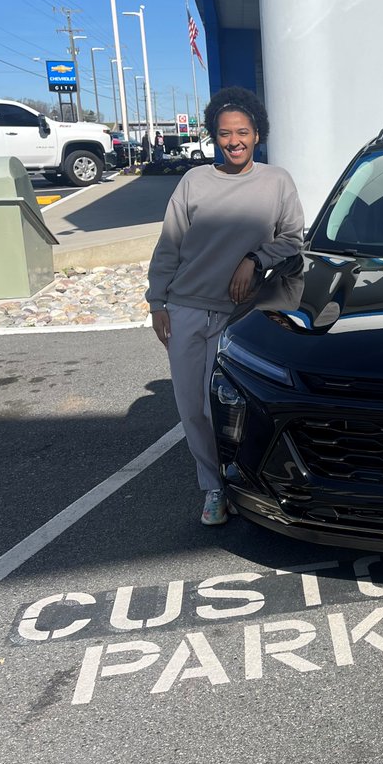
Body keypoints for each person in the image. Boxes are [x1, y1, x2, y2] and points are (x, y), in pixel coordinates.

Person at [146, 86, 304, 526]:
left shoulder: (277, 181)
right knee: (192, 406)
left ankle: (248, 483)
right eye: (224, 133)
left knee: (232, 408)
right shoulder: (194, 181)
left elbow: (293, 239)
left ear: (258, 134)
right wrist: (157, 300)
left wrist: (254, 260)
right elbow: (170, 244)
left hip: (241, 315)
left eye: (243, 132)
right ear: (214, 136)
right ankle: (213, 487)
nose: (234, 141)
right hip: (186, 307)